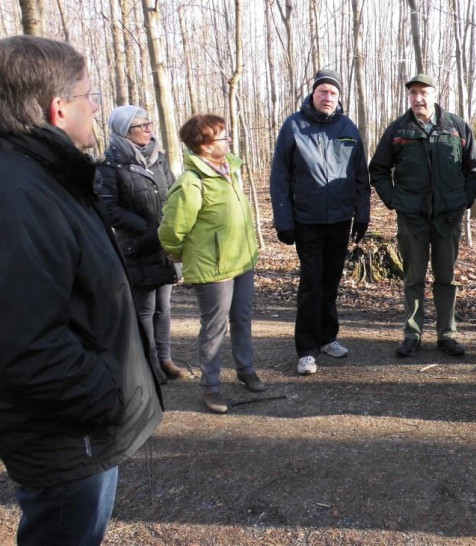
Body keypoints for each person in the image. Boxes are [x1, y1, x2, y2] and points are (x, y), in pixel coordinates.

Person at [0, 36, 162, 545]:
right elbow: (23, 341)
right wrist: (105, 396)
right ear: (58, 107)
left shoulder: (46, 177)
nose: (97, 108)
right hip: (68, 437)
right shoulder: (19, 193)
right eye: (90, 95)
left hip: (75, 430)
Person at [369, 74, 476, 357]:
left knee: (446, 278)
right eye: (413, 93)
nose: (418, 98)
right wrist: (395, 200)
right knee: (413, 279)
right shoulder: (398, 129)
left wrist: (465, 200)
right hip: (412, 217)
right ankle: (412, 334)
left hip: (448, 217)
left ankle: (447, 334)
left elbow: (475, 168)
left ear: (435, 94)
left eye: (423, 92)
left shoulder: (456, 127)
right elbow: (378, 170)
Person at [159, 114, 262, 414]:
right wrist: (180, 253)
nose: (228, 139)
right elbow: (171, 230)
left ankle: (246, 369)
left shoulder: (230, 170)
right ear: (204, 146)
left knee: (242, 318)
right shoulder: (191, 183)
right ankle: (211, 387)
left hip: (242, 261)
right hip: (213, 269)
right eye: (222, 136)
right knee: (214, 327)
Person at [270, 69, 370, 376]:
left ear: (339, 98)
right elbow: (280, 177)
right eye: (323, 92)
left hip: (340, 219)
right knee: (311, 283)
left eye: (334, 93)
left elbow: (360, 177)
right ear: (313, 94)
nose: (328, 97)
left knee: (330, 282)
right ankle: (307, 349)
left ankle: (328, 337)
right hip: (307, 221)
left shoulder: (348, 127)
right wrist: (283, 220)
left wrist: (362, 214)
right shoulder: (294, 126)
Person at [98, 105, 183, 384]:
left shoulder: (160, 159)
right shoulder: (110, 166)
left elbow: (173, 192)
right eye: (142, 126)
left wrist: (170, 228)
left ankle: (166, 358)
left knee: (165, 308)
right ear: (125, 131)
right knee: (144, 310)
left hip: (162, 246)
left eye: (149, 124)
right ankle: (150, 362)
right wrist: (149, 230)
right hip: (136, 246)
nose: (149, 130)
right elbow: (110, 209)